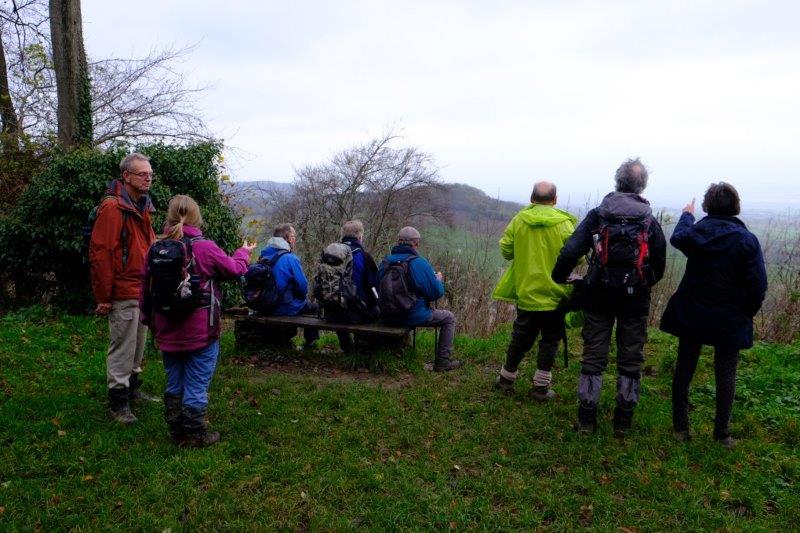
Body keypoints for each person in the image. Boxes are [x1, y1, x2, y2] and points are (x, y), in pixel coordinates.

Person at [552, 158, 666, 436]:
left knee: (594, 355)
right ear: (642, 186)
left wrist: (560, 276)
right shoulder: (648, 219)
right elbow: (659, 265)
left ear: (617, 182)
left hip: (598, 294)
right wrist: (641, 283)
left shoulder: (599, 214)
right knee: (631, 357)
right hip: (634, 299)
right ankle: (623, 422)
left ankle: (587, 420)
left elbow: (570, 251)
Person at [141, 195, 255, 447]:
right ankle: (193, 434)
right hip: (200, 328)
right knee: (197, 380)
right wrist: (243, 252)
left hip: (166, 326)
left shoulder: (155, 247)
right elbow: (235, 269)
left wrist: (149, 320)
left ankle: (175, 430)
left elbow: (145, 288)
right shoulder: (204, 247)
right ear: (196, 216)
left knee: (174, 378)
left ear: (169, 217)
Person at [660, 183, 767, 449]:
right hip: (730, 316)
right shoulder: (746, 240)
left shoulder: (696, 234)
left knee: (685, 366)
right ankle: (722, 435)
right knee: (726, 372)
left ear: (707, 206)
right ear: (736, 206)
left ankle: (680, 428)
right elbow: (758, 286)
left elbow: (678, 237)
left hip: (692, 311)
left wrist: (687, 214)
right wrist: (746, 312)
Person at [492, 181, 578, 400]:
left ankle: (506, 379)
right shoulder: (565, 224)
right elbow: (579, 254)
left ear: (531, 199)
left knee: (520, 337)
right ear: (555, 199)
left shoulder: (519, 220)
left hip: (527, 293)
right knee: (550, 340)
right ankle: (540, 388)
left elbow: (506, 251)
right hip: (556, 295)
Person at [89, 152, 158, 424]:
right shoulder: (113, 208)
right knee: (123, 345)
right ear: (126, 176)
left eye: (150, 174)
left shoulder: (142, 205)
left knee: (138, 345)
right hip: (123, 289)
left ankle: (132, 389)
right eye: (143, 174)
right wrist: (104, 297)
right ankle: (118, 401)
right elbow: (102, 253)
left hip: (141, 288)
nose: (148, 178)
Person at [378, 226, 462, 371]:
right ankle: (443, 362)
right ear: (415, 244)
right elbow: (436, 293)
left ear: (398, 242)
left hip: (387, 316)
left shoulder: (385, 262)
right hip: (412, 315)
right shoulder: (419, 263)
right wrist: (438, 280)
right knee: (449, 318)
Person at [258, 223, 319, 347]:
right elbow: (303, 286)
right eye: (294, 236)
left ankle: (284, 339)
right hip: (284, 307)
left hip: (265, 305)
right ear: (289, 239)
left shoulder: (263, 255)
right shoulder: (291, 259)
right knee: (313, 307)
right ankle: (310, 343)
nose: (295, 239)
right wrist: (300, 297)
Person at [330, 220, 380, 353]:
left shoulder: (329, 254)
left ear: (342, 235)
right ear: (360, 236)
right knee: (374, 310)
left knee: (340, 304)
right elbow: (375, 288)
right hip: (355, 315)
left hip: (330, 313)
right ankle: (364, 349)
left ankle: (346, 347)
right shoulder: (364, 257)